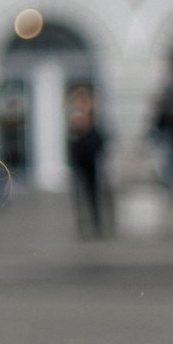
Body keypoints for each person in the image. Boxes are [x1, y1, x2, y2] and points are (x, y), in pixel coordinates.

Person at [67, 87, 109, 239]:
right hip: (80, 163)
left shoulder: (94, 123)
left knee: (93, 194)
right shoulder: (74, 125)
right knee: (79, 194)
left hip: (91, 163)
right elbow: (72, 146)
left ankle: (96, 223)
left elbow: (99, 143)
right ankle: (81, 223)